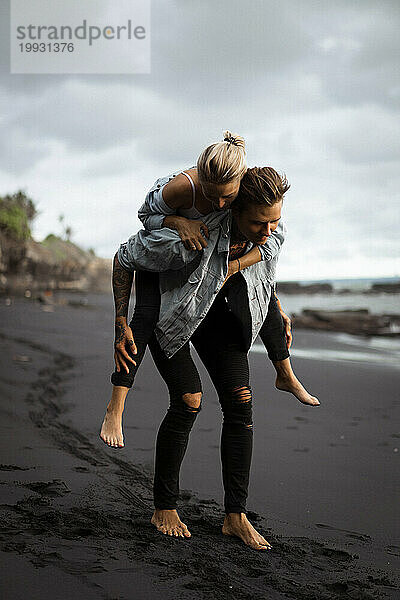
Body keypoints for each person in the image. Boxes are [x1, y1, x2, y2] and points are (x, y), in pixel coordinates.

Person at [106, 167, 320, 550]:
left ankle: (235, 517)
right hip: (174, 317)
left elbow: (266, 270)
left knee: (241, 405)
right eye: (259, 222)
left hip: (221, 317)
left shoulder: (271, 231)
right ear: (233, 210)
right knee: (189, 401)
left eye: (275, 221)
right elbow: (124, 256)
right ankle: (164, 506)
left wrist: (277, 305)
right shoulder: (187, 237)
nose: (269, 230)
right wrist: (121, 319)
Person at [101, 134, 318, 448]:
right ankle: (116, 405)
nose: (218, 205)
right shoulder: (182, 190)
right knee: (143, 318)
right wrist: (176, 222)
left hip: (203, 257)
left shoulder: (253, 205)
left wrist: (246, 274)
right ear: (200, 180)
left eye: (226, 198)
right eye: (212, 196)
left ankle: (285, 372)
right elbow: (144, 219)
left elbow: (270, 249)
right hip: (166, 247)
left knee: (262, 290)